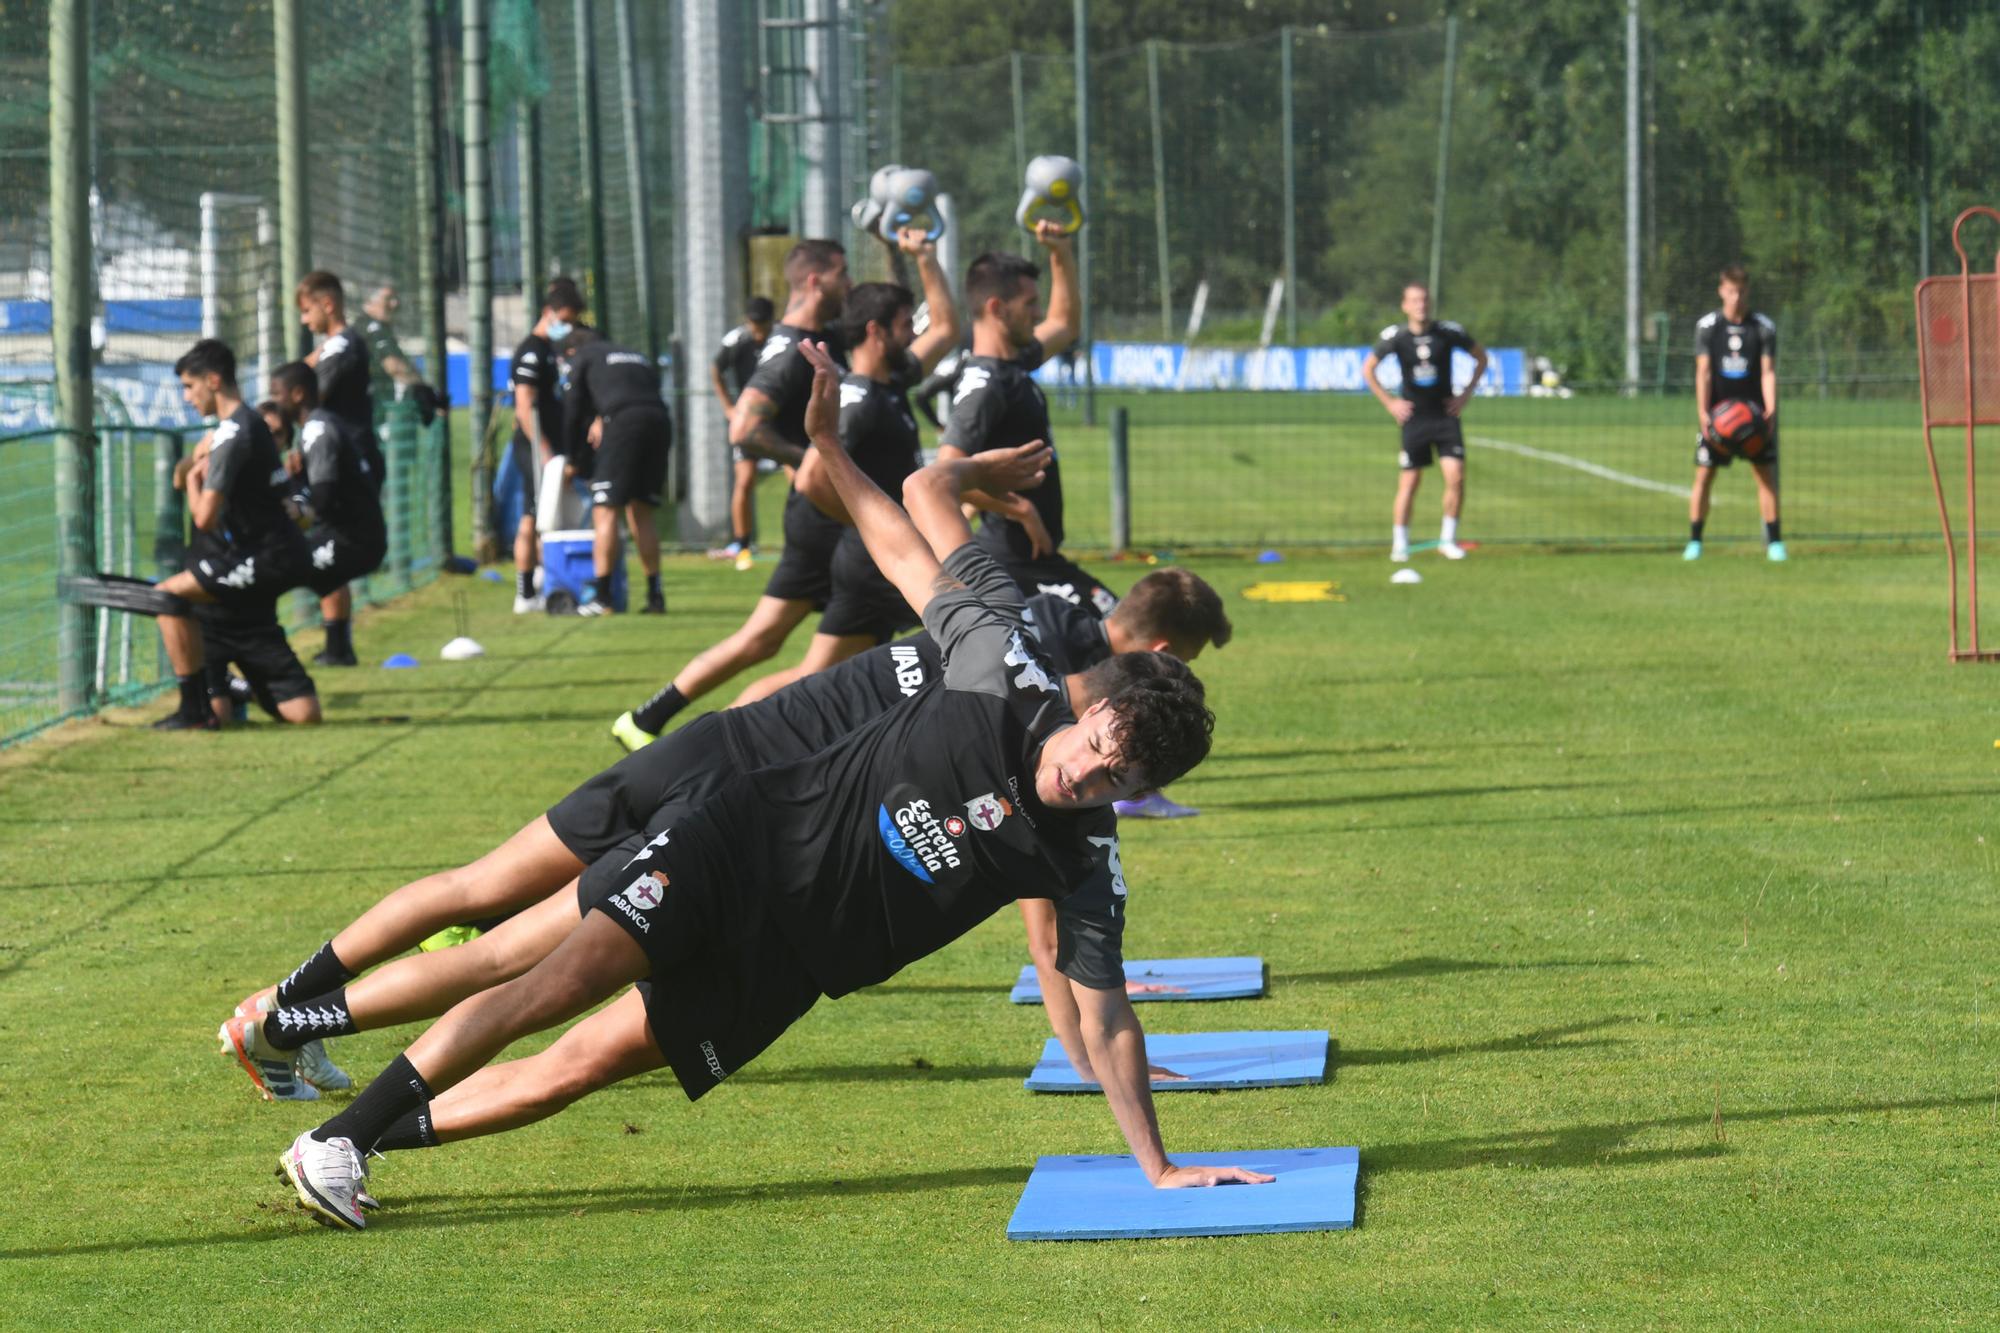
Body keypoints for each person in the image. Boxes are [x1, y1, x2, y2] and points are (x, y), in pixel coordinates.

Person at [274, 337, 1266, 1228]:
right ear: (1089, 710)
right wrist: (829, 453)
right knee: (549, 982)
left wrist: (1158, 1165)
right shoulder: (1000, 664)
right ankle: (336, 1134)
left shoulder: (1079, 855)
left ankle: (356, 1151)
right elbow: (898, 540)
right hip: (733, 841)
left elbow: (1103, 1012)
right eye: (1093, 745)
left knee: (576, 1068)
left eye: (1110, 780)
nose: (1081, 774)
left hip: (790, 967)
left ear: (1133, 791)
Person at [713, 231, 962, 711]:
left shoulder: (882, 380)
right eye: (842, 272)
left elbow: (944, 328)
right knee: (806, 664)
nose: (849, 282)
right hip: (853, 541)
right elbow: (770, 446)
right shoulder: (855, 390)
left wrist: (916, 256)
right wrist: (866, 514)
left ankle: (702, 731)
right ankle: (709, 731)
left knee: (832, 674)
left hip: (869, 543)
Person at [608, 242, 851, 724]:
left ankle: (649, 721)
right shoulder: (788, 350)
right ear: (815, 280)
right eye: (843, 274)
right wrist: (813, 459)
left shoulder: (825, 336)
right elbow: (744, 428)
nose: (850, 285)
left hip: (834, 517)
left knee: (770, 643)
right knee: (823, 658)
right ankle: (695, 740)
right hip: (825, 518)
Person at [937, 226, 1114, 615]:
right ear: (997, 308)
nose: (1038, 314)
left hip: (1032, 561)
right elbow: (942, 475)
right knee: (1120, 632)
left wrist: (1060, 252)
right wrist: (1019, 509)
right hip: (1010, 564)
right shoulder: (985, 386)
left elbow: (1065, 324)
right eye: (1030, 303)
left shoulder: (1014, 362)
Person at [149, 339, 313, 731]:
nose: (187, 397)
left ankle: (192, 709)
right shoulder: (250, 424)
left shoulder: (233, 435)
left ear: (214, 380)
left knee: (167, 595)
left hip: (264, 557)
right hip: (270, 554)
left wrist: (191, 480)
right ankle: (230, 690)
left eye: (190, 386)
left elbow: (204, 517)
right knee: (305, 715)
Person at [1363, 283, 1488, 564]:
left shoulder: (1448, 332)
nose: (1421, 305)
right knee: (1409, 482)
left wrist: (1465, 395)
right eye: (1415, 300)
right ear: (1405, 305)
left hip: (1445, 416)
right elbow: (1368, 368)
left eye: (1425, 300)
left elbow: (1481, 357)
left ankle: (1447, 540)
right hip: (1413, 419)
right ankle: (1400, 543)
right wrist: (1390, 402)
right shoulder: (1396, 337)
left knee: (1456, 478)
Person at [559, 328, 672, 616]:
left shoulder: (582, 356)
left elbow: (572, 409)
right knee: (641, 509)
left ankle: (603, 597)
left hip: (624, 425)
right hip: (659, 421)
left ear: (572, 351)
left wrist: (571, 459)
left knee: (605, 509)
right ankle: (655, 596)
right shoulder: (634, 355)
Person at [269, 360, 388, 632]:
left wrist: (293, 502)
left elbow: (322, 499)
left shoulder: (317, 431)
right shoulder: (320, 425)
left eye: (277, 393)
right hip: (355, 536)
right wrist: (298, 480)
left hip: (355, 541)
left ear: (298, 394)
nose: (274, 401)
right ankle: (338, 651)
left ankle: (261, 645)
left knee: (274, 568)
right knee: (319, 573)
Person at [297, 270, 375, 665]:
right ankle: (338, 647)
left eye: (307, 310)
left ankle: (337, 646)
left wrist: (291, 387)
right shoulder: (338, 346)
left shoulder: (342, 347)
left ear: (328, 304)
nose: (304, 321)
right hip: (345, 460)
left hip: (342, 465)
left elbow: (311, 391)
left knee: (328, 544)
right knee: (331, 548)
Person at [1686, 264, 1783, 562]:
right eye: (1730, 291)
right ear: (1721, 291)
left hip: (1753, 418)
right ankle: (1695, 542)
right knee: (1704, 476)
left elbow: (1767, 373)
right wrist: (1703, 412)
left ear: (1747, 291)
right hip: (1719, 418)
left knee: (1765, 476)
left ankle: (1776, 544)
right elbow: (1702, 372)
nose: (1736, 297)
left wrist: (1771, 410)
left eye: (1741, 291)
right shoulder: (1708, 327)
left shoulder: (1763, 327)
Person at [508, 277, 586, 612]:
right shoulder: (531, 350)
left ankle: (543, 579)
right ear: (548, 313)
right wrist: (544, 452)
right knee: (531, 516)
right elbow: (524, 406)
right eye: (564, 320)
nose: (567, 327)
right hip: (535, 447)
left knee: (546, 515)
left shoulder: (552, 351)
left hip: (552, 446)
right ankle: (525, 593)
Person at [709, 295, 777, 565]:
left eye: (762, 323)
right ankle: (741, 542)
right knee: (745, 480)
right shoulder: (736, 340)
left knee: (801, 477)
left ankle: (805, 537)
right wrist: (729, 407)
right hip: (749, 419)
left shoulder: (782, 338)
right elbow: (716, 370)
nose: (757, 329)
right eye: (753, 323)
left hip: (780, 419)